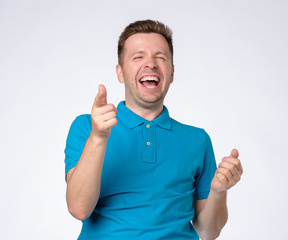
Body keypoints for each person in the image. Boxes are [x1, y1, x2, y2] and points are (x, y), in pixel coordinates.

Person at [64, 19, 243, 240]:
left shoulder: (198, 140)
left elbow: (207, 232)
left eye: (160, 57)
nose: (151, 64)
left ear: (172, 73)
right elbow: (79, 209)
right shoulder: (87, 127)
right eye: (138, 56)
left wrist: (218, 191)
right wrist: (99, 137)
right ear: (120, 73)